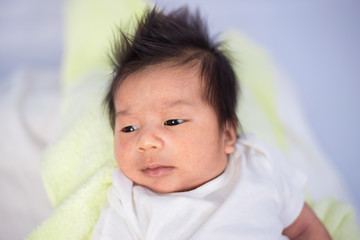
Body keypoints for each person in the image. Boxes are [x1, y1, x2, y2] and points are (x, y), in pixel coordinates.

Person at [92, 6, 331, 240]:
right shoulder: (130, 204)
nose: (145, 142)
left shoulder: (258, 166)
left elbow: (304, 228)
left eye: (172, 121)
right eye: (129, 128)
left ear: (227, 134)